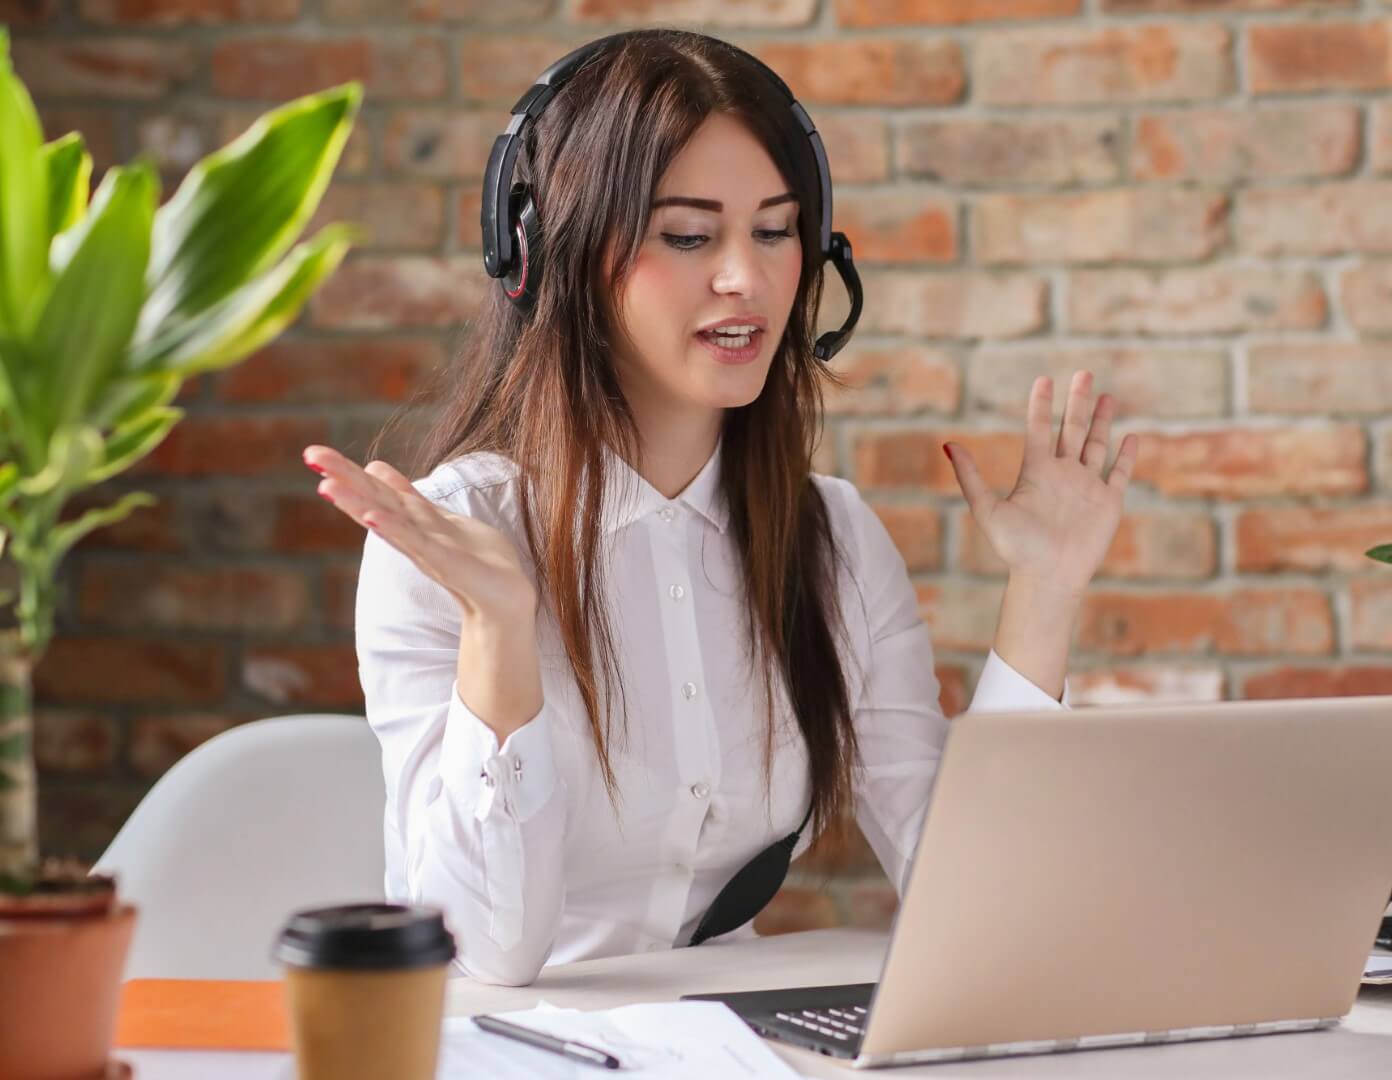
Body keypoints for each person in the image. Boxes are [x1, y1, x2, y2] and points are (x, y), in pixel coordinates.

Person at [300, 29, 1138, 987]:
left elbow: (981, 902)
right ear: (548, 254)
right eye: (689, 236)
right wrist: (500, 627)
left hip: (723, 1032)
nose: (746, 277)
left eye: (775, 230)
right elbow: (492, 952)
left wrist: (1044, 587)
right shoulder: (452, 540)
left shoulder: (832, 543)